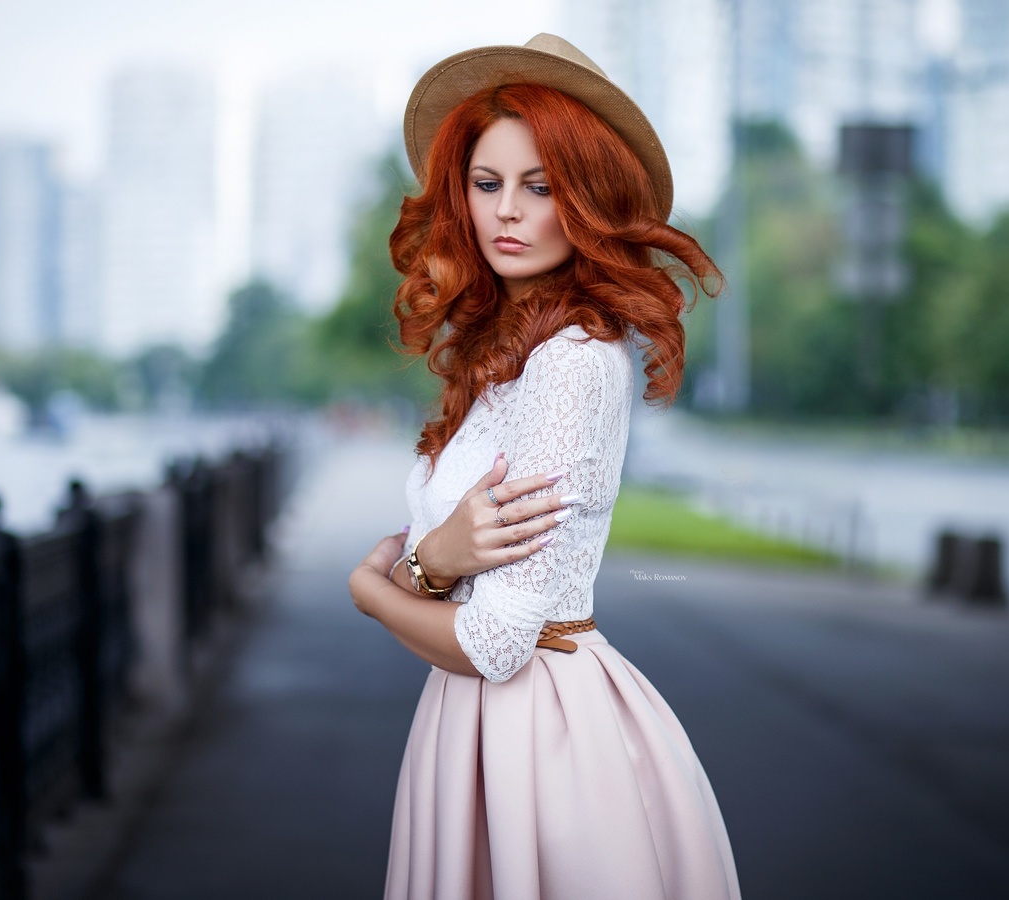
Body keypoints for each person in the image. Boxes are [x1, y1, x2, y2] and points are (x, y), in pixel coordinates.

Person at [347, 34, 741, 900]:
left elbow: (493, 641)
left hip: (540, 729)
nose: (508, 213)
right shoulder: (507, 355)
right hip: (479, 724)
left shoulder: (571, 361)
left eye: (542, 186)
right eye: (488, 184)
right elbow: (445, 572)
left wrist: (374, 591)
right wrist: (431, 562)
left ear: (588, 200)